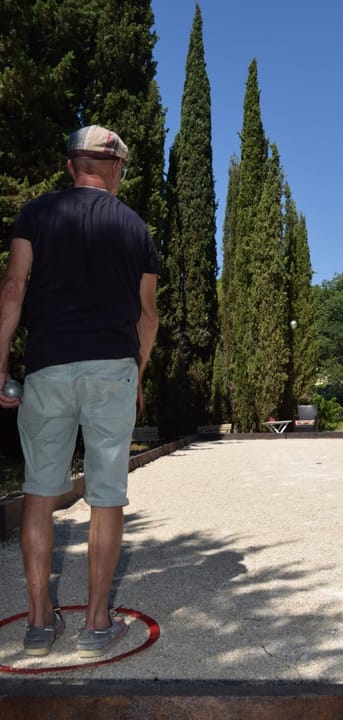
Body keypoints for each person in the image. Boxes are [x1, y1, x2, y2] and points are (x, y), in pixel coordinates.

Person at [0, 125, 159, 658]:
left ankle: (41, 624)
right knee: (106, 495)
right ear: (114, 169)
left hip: (47, 368)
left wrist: (0, 364)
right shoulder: (135, 227)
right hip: (111, 369)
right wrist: (136, 374)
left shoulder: (36, 215)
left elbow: (13, 289)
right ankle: (96, 625)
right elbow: (148, 316)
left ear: (72, 166)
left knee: (39, 495)